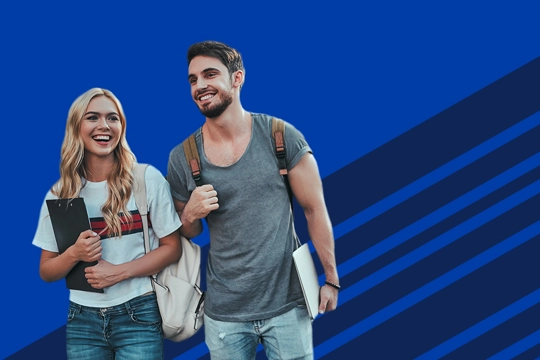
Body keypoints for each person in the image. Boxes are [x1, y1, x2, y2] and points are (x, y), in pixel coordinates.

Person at [167, 40, 339, 360]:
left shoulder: (281, 136)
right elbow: (187, 232)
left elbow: (314, 209)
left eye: (209, 75)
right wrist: (189, 214)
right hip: (225, 314)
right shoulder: (183, 157)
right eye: (193, 80)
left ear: (237, 78)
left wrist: (331, 278)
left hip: (288, 306)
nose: (200, 86)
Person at [32, 88, 182, 360]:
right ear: (77, 126)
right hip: (81, 319)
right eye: (93, 117)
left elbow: (173, 247)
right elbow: (46, 270)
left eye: (112, 118)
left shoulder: (146, 179)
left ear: (121, 127)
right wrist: (74, 254)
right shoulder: (60, 194)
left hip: (139, 312)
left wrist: (120, 272)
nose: (104, 125)